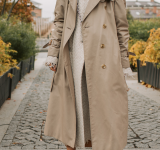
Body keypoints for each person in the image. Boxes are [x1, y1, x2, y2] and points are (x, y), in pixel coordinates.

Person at [43, 0, 135, 149]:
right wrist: (53, 53)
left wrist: (124, 63)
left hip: (103, 56)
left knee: (102, 112)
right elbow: (60, 21)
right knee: (74, 110)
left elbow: (121, 28)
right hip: (73, 54)